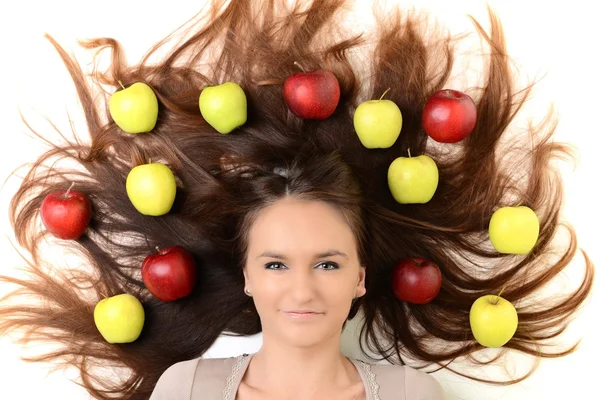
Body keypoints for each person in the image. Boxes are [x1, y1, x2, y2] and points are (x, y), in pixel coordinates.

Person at [0, 0, 594, 399]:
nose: (302, 289)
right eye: (276, 263)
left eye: (328, 263)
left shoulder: (413, 395)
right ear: (248, 275)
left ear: (360, 277)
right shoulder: (187, 390)